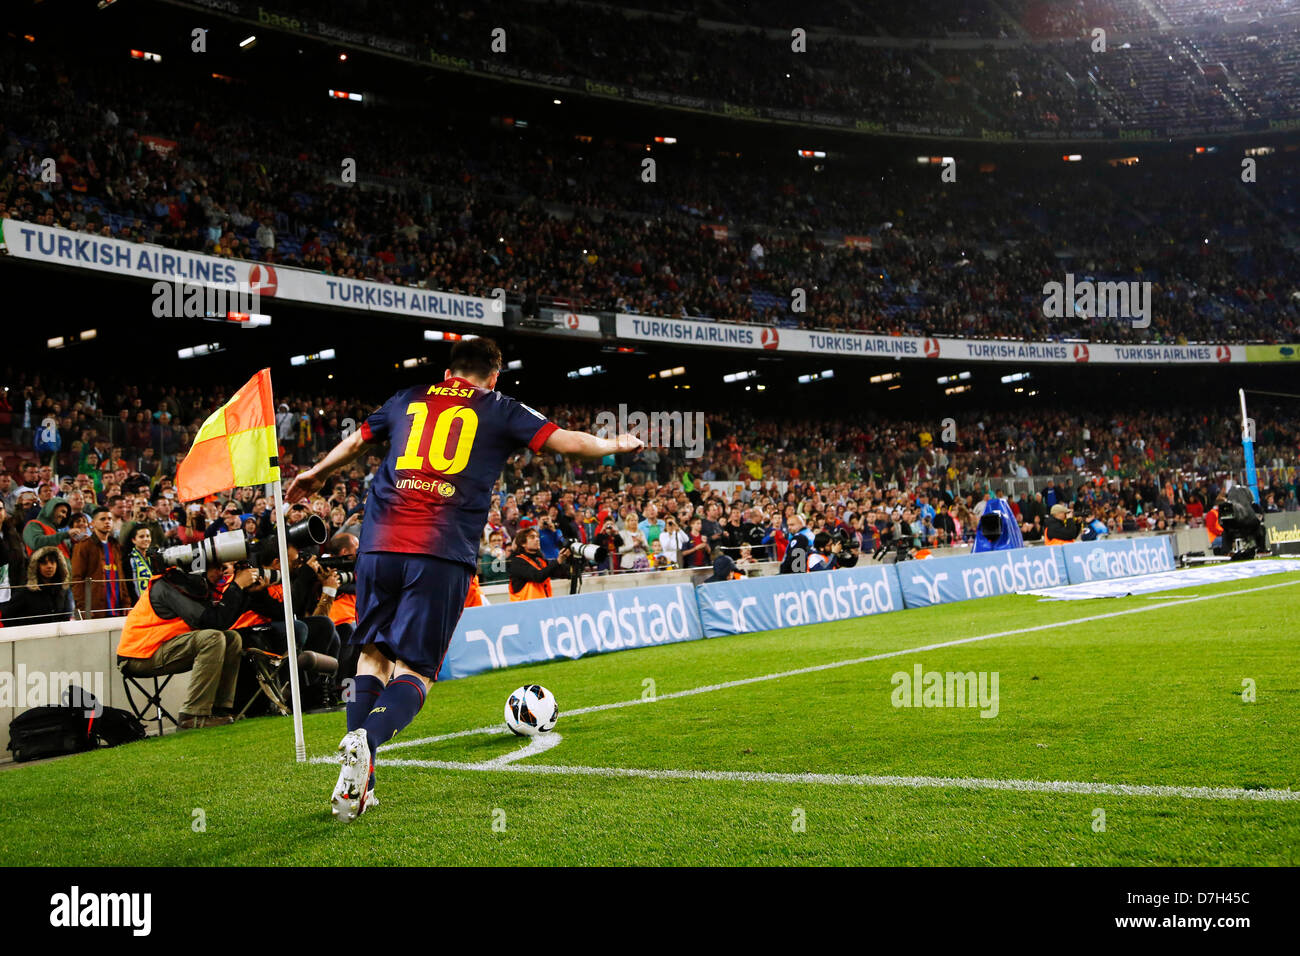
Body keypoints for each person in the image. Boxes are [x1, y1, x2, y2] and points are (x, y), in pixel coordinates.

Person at [284, 336, 641, 822]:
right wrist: (613, 445)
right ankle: (366, 739)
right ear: (493, 376)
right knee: (415, 672)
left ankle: (360, 776)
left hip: (379, 543)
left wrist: (315, 474)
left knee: (372, 654)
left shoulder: (408, 397)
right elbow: (570, 442)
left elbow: (356, 442)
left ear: (449, 371)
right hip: (440, 550)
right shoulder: (499, 406)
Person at [116, 562, 254, 729]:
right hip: (139, 655)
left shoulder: (191, 584)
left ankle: (220, 710)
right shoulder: (168, 585)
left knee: (232, 638)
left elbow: (223, 621)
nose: (221, 573)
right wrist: (237, 586)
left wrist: (245, 592)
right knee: (213, 638)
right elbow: (213, 622)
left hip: (159, 647)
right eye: (218, 568)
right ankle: (192, 716)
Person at [70, 506, 128, 619]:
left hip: (118, 607)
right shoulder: (83, 546)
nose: (107, 522)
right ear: (92, 524)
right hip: (95, 608)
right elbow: (77, 579)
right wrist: (83, 607)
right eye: (102, 519)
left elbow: (121, 577)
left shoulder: (116, 546)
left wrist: (126, 602)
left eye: (110, 519)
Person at [1, 546, 75, 626]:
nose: (49, 566)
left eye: (52, 562)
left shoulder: (63, 590)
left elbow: (66, 617)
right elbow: (7, 616)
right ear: (36, 566)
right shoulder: (25, 592)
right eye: (44, 563)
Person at [507, 528, 570, 601]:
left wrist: (569, 558)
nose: (537, 539)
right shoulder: (517, 561)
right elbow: (538, 576)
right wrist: (558, 561)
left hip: (543, 605)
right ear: (522, 543)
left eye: (537, 537)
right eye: (532, 537)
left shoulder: (540, 561)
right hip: (524, 608)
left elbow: (563, 573)